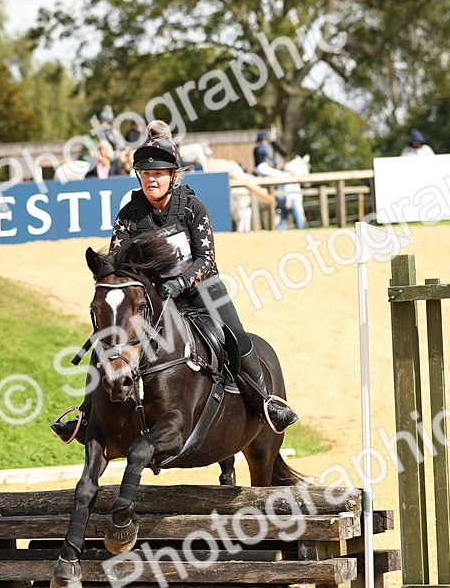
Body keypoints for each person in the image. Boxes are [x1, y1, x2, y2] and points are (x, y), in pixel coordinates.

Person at [50, 131, 299, 443]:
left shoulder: (192, 208)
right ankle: (86, 416)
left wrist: (179, 282)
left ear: (172, 176)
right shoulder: (129, 214)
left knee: (233, 334)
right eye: (145, 175)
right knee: (107, 340)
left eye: (158, 175)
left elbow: (206, 258)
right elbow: (116, 260)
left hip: (201, 289)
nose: (151, 181)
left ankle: (264, 401)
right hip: (154, 300)